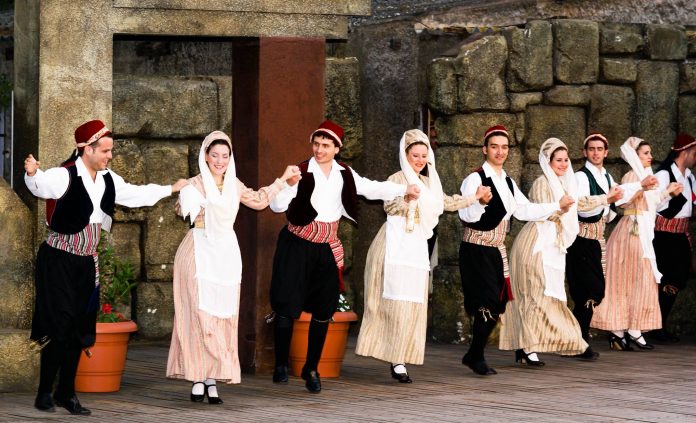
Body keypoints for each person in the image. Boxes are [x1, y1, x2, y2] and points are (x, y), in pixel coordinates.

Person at [24, 120, 188, 415]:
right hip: (58, 260)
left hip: (86, 263)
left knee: (78, 328)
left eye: (110, 151)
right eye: (105, 151)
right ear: (86, 149)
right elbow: (41, 185)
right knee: (60, 325)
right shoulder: (64, 175)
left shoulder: (108, 179)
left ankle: (66, 393)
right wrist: (32, 172)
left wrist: (171, 188)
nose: (110, 156)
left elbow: (136, 194)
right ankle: (44, 393)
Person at [268, 120, 420, 393]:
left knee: (324, 310)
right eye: (316, 144)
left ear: (337, 148)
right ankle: (281, 363)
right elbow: (276, 204)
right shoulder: (299, 171)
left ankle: (311, 368)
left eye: (326, 145)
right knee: (285, 305)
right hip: (297, 244)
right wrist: (288, 184)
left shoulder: (344, 173)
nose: (319, 149)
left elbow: (373, 188)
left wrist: (403, 189)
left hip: (326, 246)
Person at [166, 131, 300, 404]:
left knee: (223, 315)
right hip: (198, 250)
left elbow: (260, 200)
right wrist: (185, 196)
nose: (220, 160)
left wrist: (283, 180)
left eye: (225, 156)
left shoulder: (234, 185)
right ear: (205, 156)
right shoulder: (195, 183)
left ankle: (214, 377)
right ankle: (198, 376)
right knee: (199, 314)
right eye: (214, 155)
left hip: (225, 253)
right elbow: (180, 211)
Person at [355, 129, 489, 383]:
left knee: (411, 304)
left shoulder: (429, 183)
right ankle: (393, 357)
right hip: (393, 246)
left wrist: (475, 197)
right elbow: (389, 206)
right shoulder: (396, 178)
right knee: (392, 304)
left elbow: (445, 202)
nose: (419, 160)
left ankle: (401, 358)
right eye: (414, 155)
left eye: (423, 156)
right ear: (405, 155)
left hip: (416, 248)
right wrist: (405, 196)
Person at [458, 125, 572, 376]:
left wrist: (557, 206)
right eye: (495, 147)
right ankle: (475, 356)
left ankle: (474, 354)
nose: (500, 152)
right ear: (484, 149)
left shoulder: (507, 181)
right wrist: (479, 201)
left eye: (504, 147)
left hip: (496, 249)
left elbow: (524, 210)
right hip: (476, 247)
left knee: (496, 304)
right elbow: (465, 214)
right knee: (486, 302)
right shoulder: (475, 179)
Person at [565, 132, 656, 360]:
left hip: (597, 239)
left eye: (600, 149)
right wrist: (610, 199)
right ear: (585, 152)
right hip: (581, 238)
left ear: (606, 153)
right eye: (592, 149)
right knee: (587, 290)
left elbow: (622, 196)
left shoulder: (606, 176)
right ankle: (580, 342)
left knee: (594, 290)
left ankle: (577, 340)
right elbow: (582, 206)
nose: (596, 153)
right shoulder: (580, 177)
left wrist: (639, 188)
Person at [500, 138, 590, 364]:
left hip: (553, 245)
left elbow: (581, 204)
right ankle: (531, 347)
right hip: (536, 243)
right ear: (548, 162)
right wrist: (560, 209)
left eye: (565, 160)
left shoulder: (565, 186)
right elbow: (542, 212)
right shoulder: (542, 183)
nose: (562, 164)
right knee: (533, 294)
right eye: (557, 160)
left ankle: (534, 346)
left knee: (546, 296)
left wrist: (607, 199)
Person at [590, 137, 683, 350]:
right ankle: (621, 330)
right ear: (635, 155)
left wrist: (669, 192)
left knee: (638, 280)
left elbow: (653, 202)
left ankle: (629, 328)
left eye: (650, 153)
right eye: (645, 153)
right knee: (629, 279)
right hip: (631, 232)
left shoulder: (645, 175)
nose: (650, 156)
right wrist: (641, 186)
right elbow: (622, 200)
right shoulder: (633, 175)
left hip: (641, 232)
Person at [650, 133, 696, 343]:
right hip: (663, 234)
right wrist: (671, 194)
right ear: (685, 152)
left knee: (676, 279)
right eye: (695, 154)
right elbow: (655, 204)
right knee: (667, 279)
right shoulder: (663, 176)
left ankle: (658, 325)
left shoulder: (688, 175)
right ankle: (655, 327)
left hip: (680, 234)